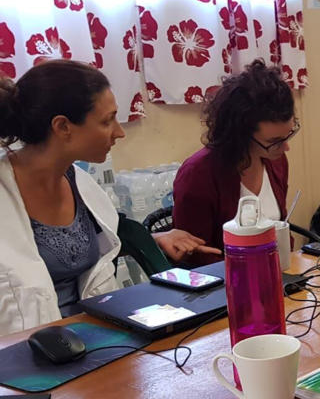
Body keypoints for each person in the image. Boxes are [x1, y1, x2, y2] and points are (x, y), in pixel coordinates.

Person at [0, 59, 218, 336]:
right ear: (63, 126)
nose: (119, 132)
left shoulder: (80, 184)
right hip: (22, 357)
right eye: (107, 120)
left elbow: (95, 244)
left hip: (91, 338)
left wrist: (152, 240)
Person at [173, 59, 297, 264]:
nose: (285, 148)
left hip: (275, 276)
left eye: (288, 136)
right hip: (223, 286)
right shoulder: (198, 174)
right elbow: (194, 259)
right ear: (239, 135)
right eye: (274, 142)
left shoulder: (275, 160)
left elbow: (281, 233)